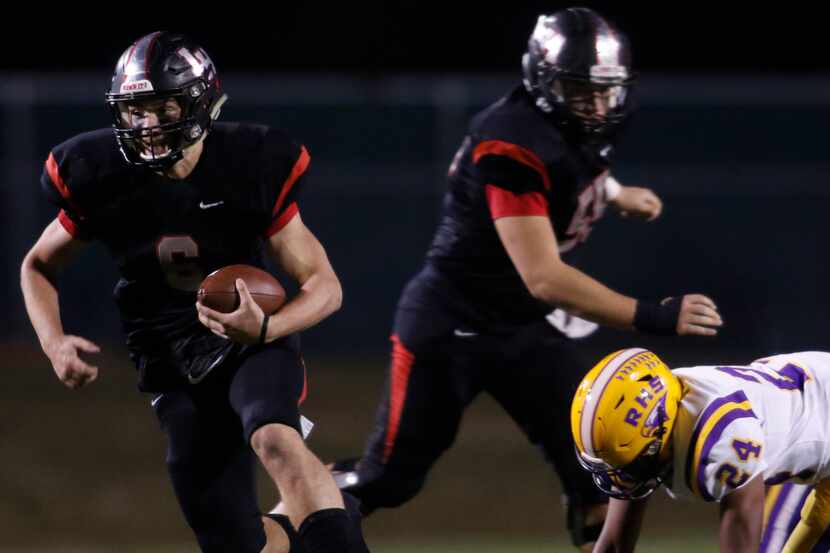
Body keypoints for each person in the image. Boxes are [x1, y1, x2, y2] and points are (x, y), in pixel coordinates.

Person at [330, 7, 722, 551]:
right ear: (542, 80)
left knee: (600, 465)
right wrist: (652, 314)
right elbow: (544, 277)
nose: (597, 105)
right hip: (454, 325)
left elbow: (573, 169)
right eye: (580, 90)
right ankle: (285, 519)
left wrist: (614, 194)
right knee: (388, 479)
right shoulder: (510, 141)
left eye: (605, 90)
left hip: (523, 325)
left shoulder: (570, 126)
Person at [20, 31, 369, 553]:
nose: (150, 126)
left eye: (164, 107)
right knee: (232, 539)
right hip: (168, 352)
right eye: (137, 111)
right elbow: (38, 265)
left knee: (275, 438)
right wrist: (54, 342)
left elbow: (326, 287)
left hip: (250, 335)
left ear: (201, 103)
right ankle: (335, 497)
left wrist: (268, 327)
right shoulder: (98, 171)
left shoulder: (247, 162)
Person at [571, 348, 830, 553]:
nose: (621, 477)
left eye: (629, 465)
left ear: (659, 431)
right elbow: (616, 543)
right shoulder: (651, 416)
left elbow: (742, 523)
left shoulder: (721, 432)